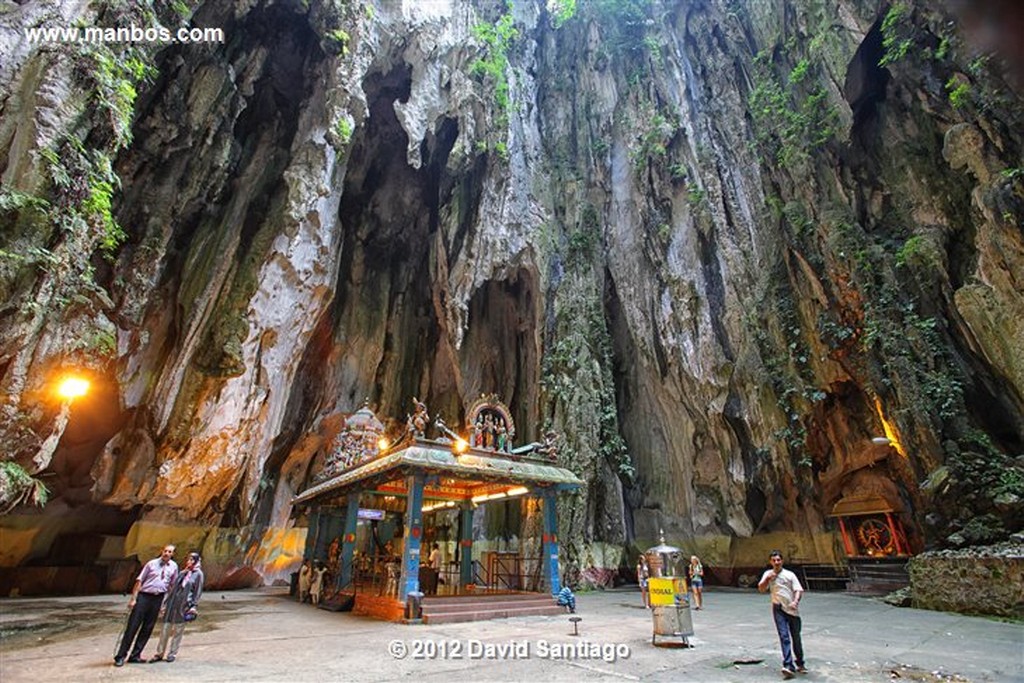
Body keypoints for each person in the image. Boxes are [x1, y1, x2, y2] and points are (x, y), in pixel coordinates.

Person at [114, 545, 178, 666]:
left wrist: (166, 604)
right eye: (165, 551)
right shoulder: (152, 564)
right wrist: (133, 599)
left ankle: (135, 655)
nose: (166, 553)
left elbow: (172, 586)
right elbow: (139, 581)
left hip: (158, 598)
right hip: (144, 596)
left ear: (172, 554)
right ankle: (121, 656)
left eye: (170, 552)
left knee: (147, 628)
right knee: (132, 626)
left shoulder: (174, 567)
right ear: (162, 551)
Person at [758, 550, 807, 679]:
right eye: (774, 560)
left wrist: (795, 602)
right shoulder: (768, 574)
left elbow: (798, 590)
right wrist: (768, 579)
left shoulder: (789, 575)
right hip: (778, 608)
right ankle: (788, 665)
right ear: (770, 562)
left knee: (795, 637)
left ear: (782, 561)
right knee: (784, 636)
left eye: (778, 560)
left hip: (791, 609)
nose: (776, 563)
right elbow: (761, 589)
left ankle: (800, 662)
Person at [150, 551, 204, 663]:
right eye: (188, 559)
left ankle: (172, 654)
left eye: (191, 559)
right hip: (172, 605)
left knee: (178, 631)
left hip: (183, 606)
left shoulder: (198, 574)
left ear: (196, 561)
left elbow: (197, 592)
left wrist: (193, 606)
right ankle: (159, 653)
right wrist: (165, 604)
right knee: (165, 629)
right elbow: (173, 590)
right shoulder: (183, 573)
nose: (188, 561)